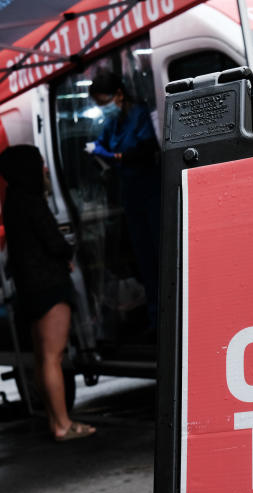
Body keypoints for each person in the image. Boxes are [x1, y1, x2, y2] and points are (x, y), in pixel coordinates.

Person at [0, 144, 95, 442]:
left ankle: (55, 420)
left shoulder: (12, 200)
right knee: (54, 356)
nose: (43, 168)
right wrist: (69, 249)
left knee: (43, 357)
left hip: (30, 289)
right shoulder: (32, 200)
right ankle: (63, 424)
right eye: (39, 163)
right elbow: (54, 243)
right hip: (50, 285)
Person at [87, 69, 162, 334]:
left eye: (103, 102)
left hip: (152, 194)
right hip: (132, 199)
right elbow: (102, 146)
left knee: (161, 256)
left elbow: (144, 151)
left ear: (119, 94)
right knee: (146, 264)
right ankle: (156, 322)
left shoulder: (141, 115)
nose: (103, 108)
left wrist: (118, 157)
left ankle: (167, 319)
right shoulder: (114, 124)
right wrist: (105, 154)